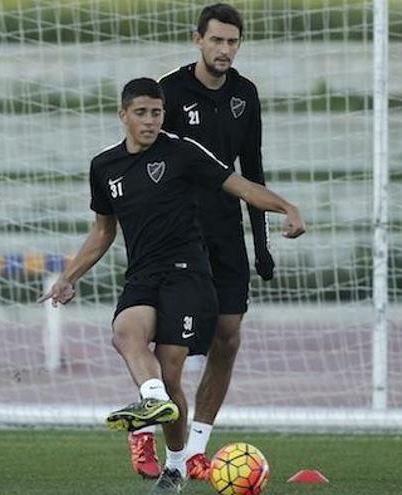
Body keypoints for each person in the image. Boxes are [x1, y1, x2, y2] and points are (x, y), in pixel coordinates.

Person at [39, 77, 303, 494]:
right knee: (125, 334)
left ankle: (175, 464)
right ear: (122, 114)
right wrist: (69, 277)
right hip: (143, 275)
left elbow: (242, 187)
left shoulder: (183, 151)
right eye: (141, 113)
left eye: (156, 113)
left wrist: (286, 207)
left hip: (187, 273)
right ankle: (152, 399)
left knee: (171, 369)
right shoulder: (104, 167)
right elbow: (103, 231)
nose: (149, 121)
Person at [126, 3, 275, 480]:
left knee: (227, 338)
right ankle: (145, 430)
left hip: (226, 231)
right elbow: (145, 163)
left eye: (233, 42)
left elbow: (250, 168)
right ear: (198, 40)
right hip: (179, 236)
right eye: (216, 40)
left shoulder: (245, 95)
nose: (225, 50)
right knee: (165, 347)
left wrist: (262, 241)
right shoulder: (169, 92)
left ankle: (195, 449)